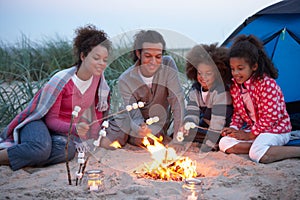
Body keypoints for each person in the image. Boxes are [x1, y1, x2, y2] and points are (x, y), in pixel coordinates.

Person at [0, 24, 114, 171]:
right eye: (96, 58)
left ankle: (29, 157)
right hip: (38, 124)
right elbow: (50, 120)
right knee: (40, 149)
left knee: (68, 151)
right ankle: (24, 154)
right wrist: (76, 128)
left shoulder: (99, 82)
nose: (101, 64)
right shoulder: (61, 81)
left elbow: (97, 115)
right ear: (83, 56)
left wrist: (95, 134)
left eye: (105, 60)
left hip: (61, 134)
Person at [219, 34, 300, 163]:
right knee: (224, 143)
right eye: (233, 69)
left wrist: (250, 135)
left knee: (256, 154)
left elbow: (271, 117)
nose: (235, 73)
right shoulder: (236, 86)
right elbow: (239, 113)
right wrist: (234, 128)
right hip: (256, 131)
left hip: (276, 130)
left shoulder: (267, 84)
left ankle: (295, 151)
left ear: (254, 67)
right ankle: (265, 148)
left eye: (240, 69)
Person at [111, 30, 185, 147]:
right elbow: (134, 116)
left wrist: (178, 136)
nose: (153, 62)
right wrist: (141, 128)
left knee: (157, 136)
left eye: (158, 57)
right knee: (118, 137)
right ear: (138, 54)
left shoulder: (168, 65)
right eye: (148, 56)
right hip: (138, 127)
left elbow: (177, 100)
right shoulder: (125, 80)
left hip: (159, 126)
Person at [183, 44, 233, 151]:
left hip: (222, 128)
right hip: (205, 125)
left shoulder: (221, 92)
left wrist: (210, 143)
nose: (203, 77)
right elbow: (192, 111)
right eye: (200, 73)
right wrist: (188, 125)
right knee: (182, 132)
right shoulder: (195, 89)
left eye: (208, 73)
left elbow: (218, 121)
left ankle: (214, 143)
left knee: (219, 138)